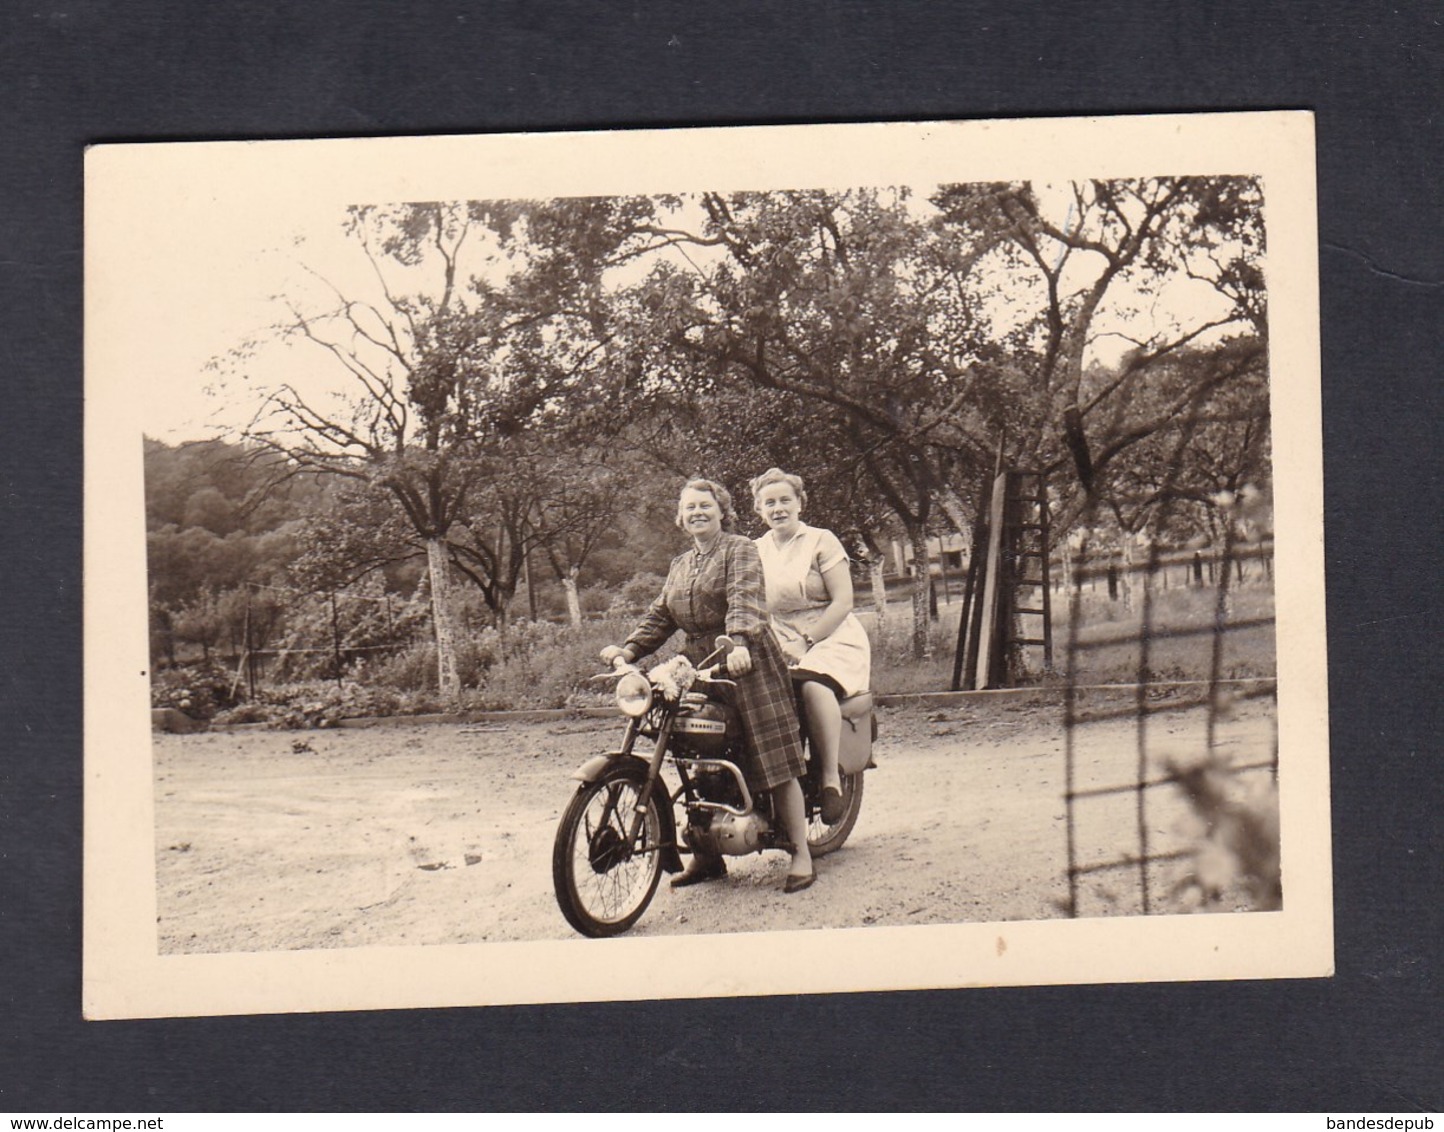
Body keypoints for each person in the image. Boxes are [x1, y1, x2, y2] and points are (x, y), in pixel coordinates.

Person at [600, 478, 816, 894]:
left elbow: (744, 597)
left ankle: (802, 854)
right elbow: (661, 615)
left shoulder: (740, 549)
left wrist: (737, 641)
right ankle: (706, 856)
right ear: (681, 517)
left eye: (705, 505)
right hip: (698, 663)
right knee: (696, 747)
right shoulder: (681, 564)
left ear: (722, 511)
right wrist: (629, 651)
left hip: (746, 659)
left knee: (774, 756)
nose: (698, 512)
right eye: (690, 508)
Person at [749, 468, 872, 826]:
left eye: (785, 500)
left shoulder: (821, 540)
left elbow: (843, 601)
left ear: (800, 503)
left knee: (813, 684)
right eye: (769, 503)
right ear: (759, 510)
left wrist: (807, 641)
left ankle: (831, 778)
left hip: (831, 635)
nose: (778, 508)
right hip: (778, 637)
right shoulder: (754, 550)